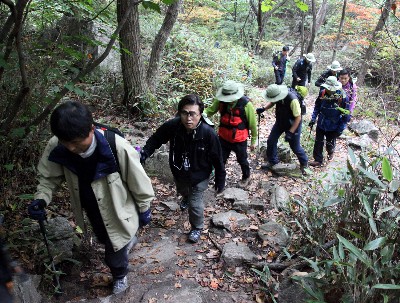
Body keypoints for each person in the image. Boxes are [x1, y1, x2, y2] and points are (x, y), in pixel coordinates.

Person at [28, 101, 155, 295]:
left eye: (77, 143)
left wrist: (144, 207)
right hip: (88, 202)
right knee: (104, 236)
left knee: (113, 248)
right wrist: (41, 198)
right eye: (66, 143)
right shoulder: (57, 145)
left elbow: (138, 180)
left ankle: (120, 275)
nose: (71, 148)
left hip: (118, 204)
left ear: (91, 129)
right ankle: (126, 240)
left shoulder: (116, 146)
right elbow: (48, 177)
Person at [140, 95, 226, 244]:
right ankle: (185, 196)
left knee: (195, 202)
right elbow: (156, 138)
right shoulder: (173, 126)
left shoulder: (208, 133)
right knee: (183, 190)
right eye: (185, 113)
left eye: (193, 114)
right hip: (179, 170)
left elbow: (218, 159)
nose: (188, 118)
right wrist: (145, 153)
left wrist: (220, 179)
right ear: (179, 112)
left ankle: (197, 228)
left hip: (200, 175)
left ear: (200, 114)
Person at [204, 80, 257, 188]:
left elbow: (252, 124)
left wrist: (253, 141)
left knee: (242, 159)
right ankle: (219, 183)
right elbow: (210, 110)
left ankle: (246, 177)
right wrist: (197, 115)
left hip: (240, 139)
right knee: (220, 160)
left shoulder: (247, 105)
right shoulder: (220, 101)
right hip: (223, 137)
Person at [256, 84, 308, 175]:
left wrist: (290, 133)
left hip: (293, 124)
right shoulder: (277, 96)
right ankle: (272, 162)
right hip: (281, 121)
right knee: (271, 141)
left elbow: (298, 118)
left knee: (295, 147)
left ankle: (304, 164)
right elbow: (273, 102)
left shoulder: (293, 100)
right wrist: (264, 108)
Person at [308, 76, 350, 166]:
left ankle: (330, 151)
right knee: (318, 141)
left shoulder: (343, 97)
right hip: (321, 122)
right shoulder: (322, 93)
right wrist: (313, 118)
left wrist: (340, 128)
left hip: (334, 125)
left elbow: (346, 115)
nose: (329, 90)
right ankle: (318, 160)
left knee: (329, 143)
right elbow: (317, 106)